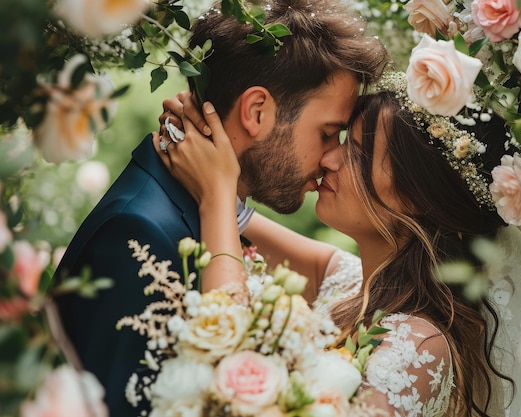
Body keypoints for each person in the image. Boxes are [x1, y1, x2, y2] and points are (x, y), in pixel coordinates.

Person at [52, 1, 388, 415]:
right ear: (256, 112)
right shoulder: (137, 232)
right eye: (328, 133)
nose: (331, 158)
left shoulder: (214, 211)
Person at [157, 71, 521, 416]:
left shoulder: (419, 346)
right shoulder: (353, 286)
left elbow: (228, 362)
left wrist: (216, 197)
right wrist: (217, 164)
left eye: (359, 153)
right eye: (340, 139)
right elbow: (249, 225)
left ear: (417, 197)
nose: (330, 158)